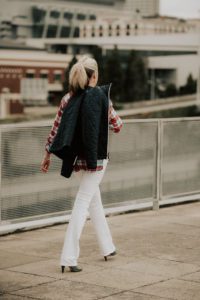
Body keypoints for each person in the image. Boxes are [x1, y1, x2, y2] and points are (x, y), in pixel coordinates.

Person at [41, 56, 123, 273]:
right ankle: (68, 258)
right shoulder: (101, 97)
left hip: (75, 161)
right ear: (94, 76)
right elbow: (117, 125)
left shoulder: (68, 98)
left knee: (93, 201)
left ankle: (107, 247)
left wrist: (47, 153)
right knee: (83, 202)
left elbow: (56, 128)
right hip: (95, 160)